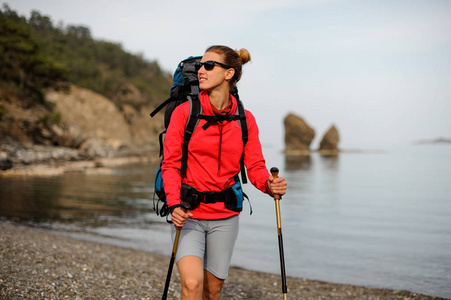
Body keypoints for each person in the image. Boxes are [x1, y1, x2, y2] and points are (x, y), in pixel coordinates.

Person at [162, 45, 287, 300]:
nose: (201, 70)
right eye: (200, 66)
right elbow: (171, 164)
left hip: (225, 215)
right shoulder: (184, 113)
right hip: (189, 212)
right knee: (192, 284)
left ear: (229, 73)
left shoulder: (245, 119)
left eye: (209, 65)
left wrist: (268, 184)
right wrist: (174, 204)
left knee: (213, 290)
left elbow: (254, 166)